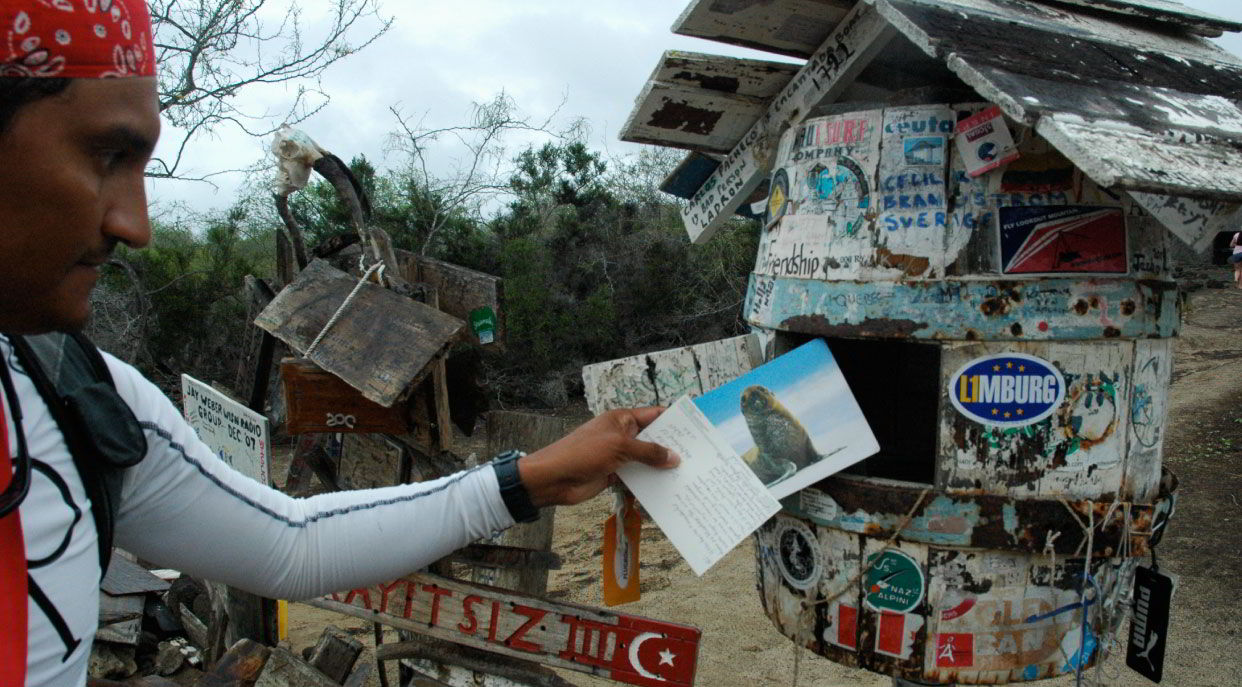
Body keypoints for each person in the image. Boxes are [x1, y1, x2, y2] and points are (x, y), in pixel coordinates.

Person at [0, 2, 678, 685]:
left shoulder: (76, 399)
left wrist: (534, 477)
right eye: (108, 155)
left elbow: (291, 543)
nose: (136, 224)